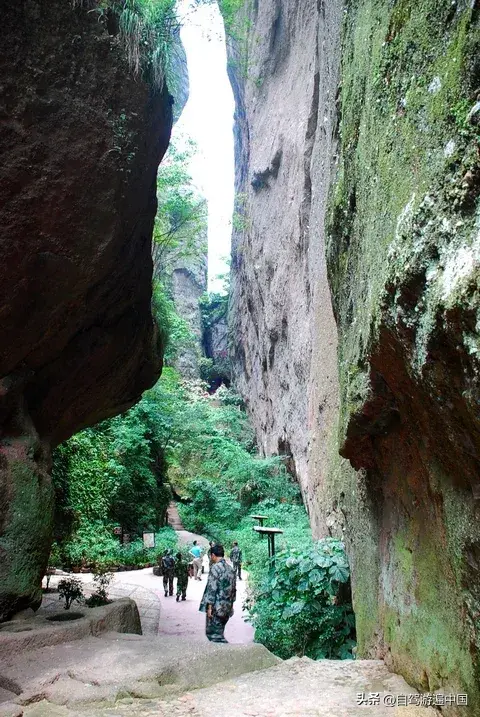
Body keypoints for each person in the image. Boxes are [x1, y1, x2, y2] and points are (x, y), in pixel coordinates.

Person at [199, 543, 236, 643]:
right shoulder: (231, 569)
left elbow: (212, 588)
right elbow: (233, 589)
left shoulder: (215, 568)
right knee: (219, 632)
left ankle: (223, 654)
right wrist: (231, 605)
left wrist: (209, 607)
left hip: (216, 606)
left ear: (213, 555)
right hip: (227, 606)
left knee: (213, 634)